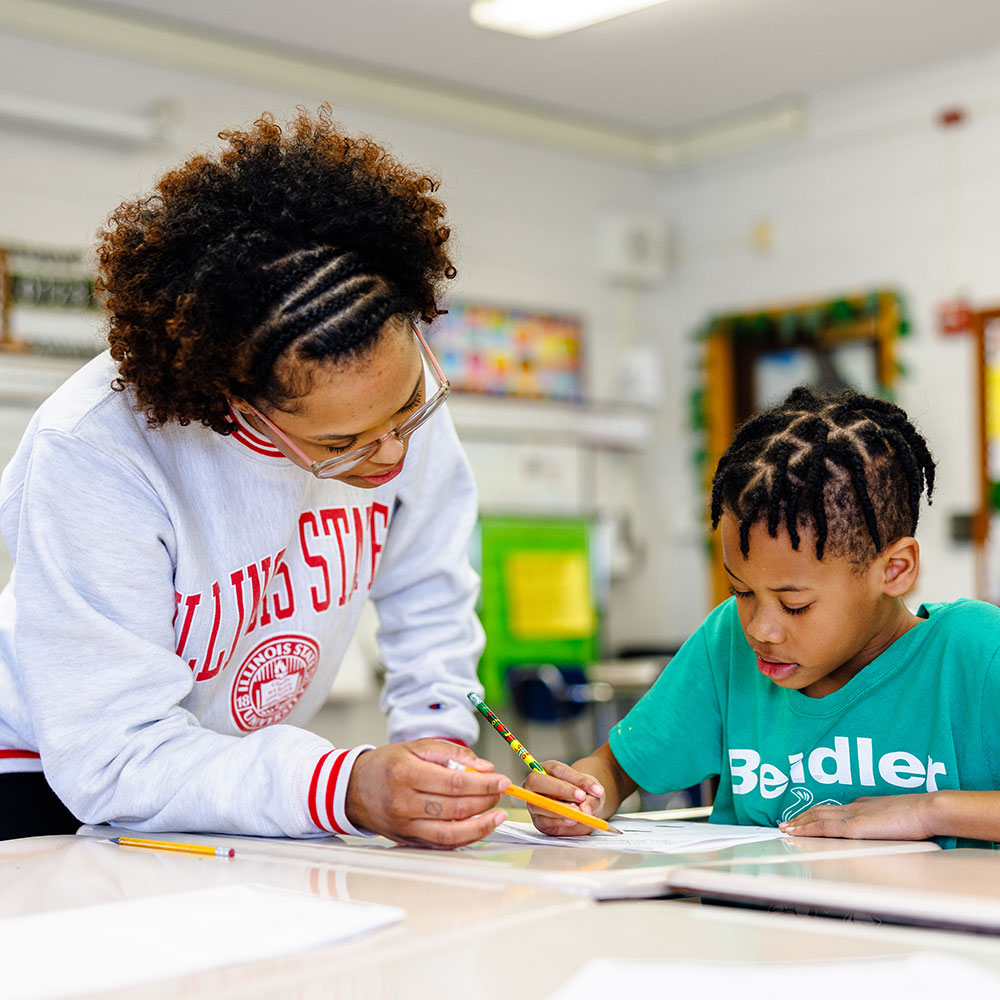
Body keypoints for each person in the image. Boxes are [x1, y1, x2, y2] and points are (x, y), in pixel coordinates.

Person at [0, 107, 512, 844]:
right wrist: (344, 786)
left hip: (229, 770)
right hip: (50, 769)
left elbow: (428, 589)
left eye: (407, 411)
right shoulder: (96, 451)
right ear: (229, 399)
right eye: (342, 444)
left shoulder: (385, 401)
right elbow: (112, 755)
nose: (392, 454)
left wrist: (439, 741)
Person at [525, 386, 1000, 847]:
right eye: (741, 591)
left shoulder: (976, 651)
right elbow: (615, 767)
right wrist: (582, 794)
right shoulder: (727, 642)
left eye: (795, 604)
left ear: (893, 570)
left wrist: (928, 809)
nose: (759, 629)